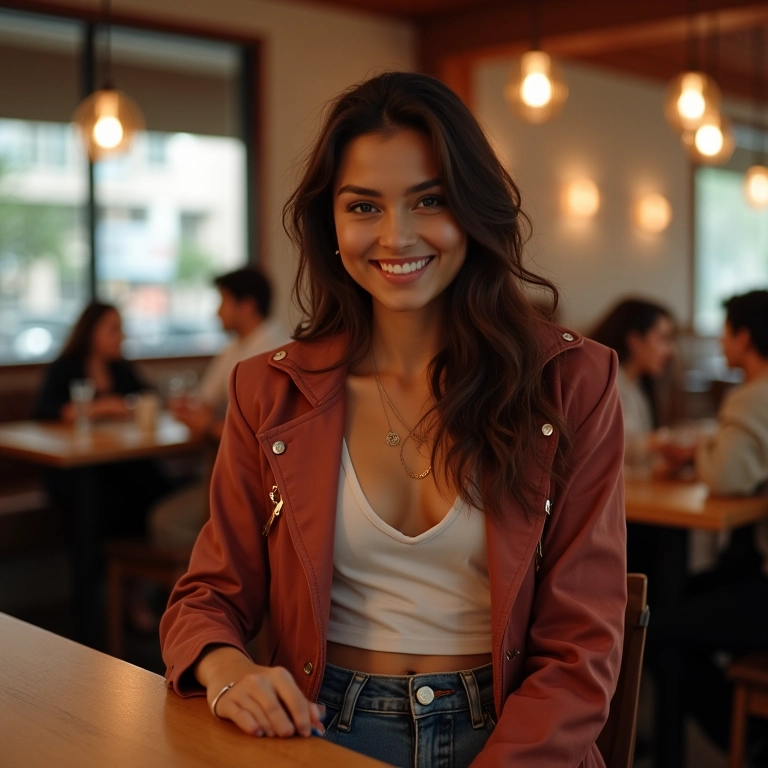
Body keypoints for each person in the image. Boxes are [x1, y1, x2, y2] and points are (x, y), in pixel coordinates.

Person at [160, 71, 626, 767]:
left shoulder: (571, 382)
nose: (395, 236)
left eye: (429, 200)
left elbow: (582, 646)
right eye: (364, 207)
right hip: (322, 729)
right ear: (332, 221)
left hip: (516, 739)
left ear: (473, 209)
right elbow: (208, 595)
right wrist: (227, 671)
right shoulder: (269, 389)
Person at [658, 289, 768, 760]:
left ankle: (744, 741)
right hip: (755, 564)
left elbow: (729, 477)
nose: (723, 343)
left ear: (744, 336)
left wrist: (698, 452)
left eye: (726, 332)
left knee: (660, 626)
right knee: (687, 594)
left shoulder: (752, 396)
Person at [149, 267, 290, 549]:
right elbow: (203, 399)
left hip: (260, 485)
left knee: (163, 520)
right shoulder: (238, 347)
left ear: (247, 306)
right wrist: (194, 411)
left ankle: (218, 577)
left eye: (222, 302)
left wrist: (208, 425)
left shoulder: (273, 351)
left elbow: (271, 436)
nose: (216, 313)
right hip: (226, 470)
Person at [33, 301, 171, 537]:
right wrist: (99, 408)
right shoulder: (65, 368)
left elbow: (148, 398)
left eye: (121, 329)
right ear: (91, 333)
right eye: (114, 330)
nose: (121, 337)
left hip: (119, 461)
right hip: (74, 467)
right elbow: (43, 411)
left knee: (152, 480)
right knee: (92, 490)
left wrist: (128, 405)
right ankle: (97, 570)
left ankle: (141, 561)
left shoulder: (120, 368)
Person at [588, 298, 676, 443]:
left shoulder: (636, 385)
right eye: (662, 339)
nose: (669, 350)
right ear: (634, 340)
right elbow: (606, 446)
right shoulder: (606, 386)